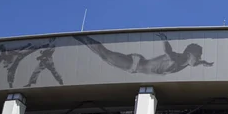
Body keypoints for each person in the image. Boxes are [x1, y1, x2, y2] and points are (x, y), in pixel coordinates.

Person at [74, 32, 214, 75]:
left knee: (105, 56)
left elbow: (195, 64)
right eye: (198, 56)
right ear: (189, 54)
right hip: (134, 64)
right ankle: (81, 38)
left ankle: (83, 39)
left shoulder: (187, 63)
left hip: (137, 66)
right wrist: (165, 40)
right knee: (104, 54)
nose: (200, 59)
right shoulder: (177, 59)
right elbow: (168, 51)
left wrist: (204, 63)